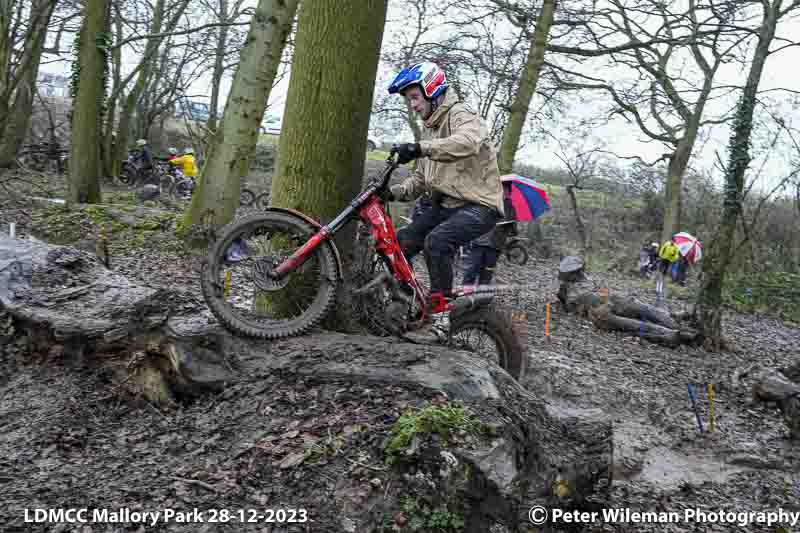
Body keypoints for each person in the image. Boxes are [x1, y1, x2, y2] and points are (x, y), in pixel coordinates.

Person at [386, 62, 504, 315]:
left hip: (479, 206)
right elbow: (421, 178)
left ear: (432, 90)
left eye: (415, 97)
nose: (413, 105)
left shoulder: (461, 114)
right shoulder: (429, 130)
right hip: (445, 204)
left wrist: (421, 148)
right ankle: (402, 304)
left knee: (437, 242)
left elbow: (467, 142)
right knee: (401, 243)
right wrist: (394, 192)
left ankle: (441, 313)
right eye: (409, 100)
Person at [462, 220, 516, 287]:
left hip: (494, 248)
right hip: (478, 244)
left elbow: (513, 233)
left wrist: (506, 225)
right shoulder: (483, 211)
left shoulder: (508, 216)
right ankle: (465, 291)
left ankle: (482, 293)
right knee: (472, 270)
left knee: (487, 272)